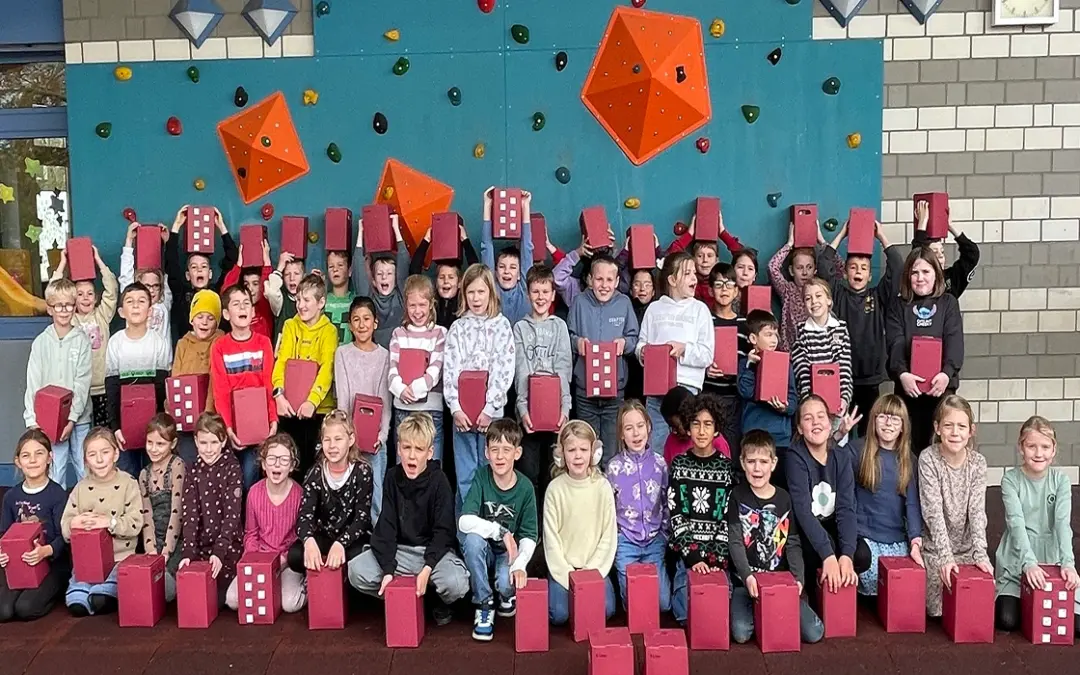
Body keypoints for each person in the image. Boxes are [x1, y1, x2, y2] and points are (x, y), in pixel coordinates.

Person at [347, 412, 469, 627]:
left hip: (431, 554)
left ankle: (433, 600)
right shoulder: (392, 477)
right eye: (407, 448)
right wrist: (387, 570)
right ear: (398, 449)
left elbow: (444, 532)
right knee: (356, 571)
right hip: (400, 552)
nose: (412, 456)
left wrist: (428, 568)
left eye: (419, 449)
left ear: (429, 453)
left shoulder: (439, 481)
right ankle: (403, 598)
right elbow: (386, 527)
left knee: (457, 583)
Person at [727, 430, 823, 644]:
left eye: (763, 461)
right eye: (751, 461)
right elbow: (735, 541)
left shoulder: (784, 498)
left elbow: (792, 542)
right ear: (742, 463)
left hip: (778, 582)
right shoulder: (737, 496)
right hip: (746, 583)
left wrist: (798, 578)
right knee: (741, 634)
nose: (757, 468)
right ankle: (760, 613)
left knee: (814, 633)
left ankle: (771, 613)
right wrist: (747, 576)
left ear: (773, 463)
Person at [818, 219, 904, 436]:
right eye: (853, 267)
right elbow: (823, 265)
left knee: (868, 436)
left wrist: (881, 236)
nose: (858, 271)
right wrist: (843, 234)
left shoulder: (878, 296)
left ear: (870, 275)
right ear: (845, 273)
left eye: (864, 268)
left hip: (870, 380)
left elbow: (897, 267)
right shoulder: (837, 294)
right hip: (841, 379)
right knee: (839, 434)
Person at [994, 416, 1079, 633]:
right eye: (1031, 446)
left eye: (1045, 447)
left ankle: (1038, 605)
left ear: (1054, 449)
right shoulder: (1010, 480)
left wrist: (1068, 563)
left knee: (1075, 625)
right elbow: (1016, 523)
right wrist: (1029, 563)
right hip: (1018, 560)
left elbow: (1062, 523)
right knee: (1007, 620)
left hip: (1052, 560)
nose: (1038, 453)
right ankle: (1029, 602)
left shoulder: (1060, 481)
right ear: (1021, 448)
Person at [459, 419, 539, 641]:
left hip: (508, 554)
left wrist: (520, 565)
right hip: (486, 548)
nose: (500, 456)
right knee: (472, 540)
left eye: (506, 450)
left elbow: (530, 535)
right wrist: (500, 532)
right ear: (486, 453)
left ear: (517, 453)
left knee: (506, 584)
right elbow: (464, 521)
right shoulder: (482, 477)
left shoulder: (525, 487)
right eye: (494, 450)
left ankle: (505, 593)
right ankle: (484, 602)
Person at [444, 264, 516, 511]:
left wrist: (489, 408)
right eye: (471, 292)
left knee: (492, 470)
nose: (476, 298)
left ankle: (491, 525)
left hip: (490, 416)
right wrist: (455, 407)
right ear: (464, 294)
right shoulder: (458, 328)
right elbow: (450, 370)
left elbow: (504, 369)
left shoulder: (501, 325)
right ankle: (467, 527)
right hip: (462, 416)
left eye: (481, 292)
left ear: (490, 293)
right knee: (466, 474)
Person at [787, 396, 869, 603]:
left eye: (821, 416)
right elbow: (803, 512)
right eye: (808, 418)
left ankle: (838, 592)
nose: (815, 422)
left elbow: (846, 508)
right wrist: (829, 555)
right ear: (800, 428)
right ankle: (814, 593)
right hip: (806, 530)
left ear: (830, 422)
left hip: (832, 524)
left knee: (861, 554)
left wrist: (847, 555)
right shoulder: (795, 457)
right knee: (823, 548)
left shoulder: (841, 456)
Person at [918, 395, 990, 618]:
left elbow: (977, 512)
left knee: (974, 610)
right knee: (939, 612)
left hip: (967, 551)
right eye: (948, 425)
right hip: (936, 550)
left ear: (971, 431)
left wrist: (980, 554)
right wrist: (946, 557)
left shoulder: (978, 463)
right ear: (937, 428)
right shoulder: (928, 458)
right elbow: (933, 512)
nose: (955, 432)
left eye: (961, 426)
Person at [886, 248, 964, 452]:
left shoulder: (948, 303)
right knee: (908, 449)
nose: (920, 278)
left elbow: (954, 341)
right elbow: (895, 342)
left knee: (942, 448)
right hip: (909, 390)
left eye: (926, 272)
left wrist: (946, 373)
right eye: (914, 272)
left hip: (941, 388)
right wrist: (902, 373)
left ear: (936, 273)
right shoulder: (898, 305)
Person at [636, 252, 715, 453]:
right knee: (657, 444)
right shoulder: (654, 309)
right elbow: (641, 343)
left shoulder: (700, 310)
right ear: (672, 280)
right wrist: (642, 352)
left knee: (684, 444)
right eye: (687, 273)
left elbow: (707, 354)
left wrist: (684, 349)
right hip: (656, 390)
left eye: (694, 273)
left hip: (686, 388)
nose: (694, 278)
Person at [668, 393, 736, 625]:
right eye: (695, 424)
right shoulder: (679, 465)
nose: (701, 431)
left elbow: (727, 517)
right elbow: (677, 515)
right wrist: (694, 557)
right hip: (688, 557)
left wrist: (714, 559)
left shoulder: (726, 468)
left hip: (717, 557)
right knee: (685, 616)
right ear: (687, 428)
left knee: (717, 618)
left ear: (717, 430)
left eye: (708, 424)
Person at [61, 428, 143, 616]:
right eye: (92, 454)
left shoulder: (129, 483)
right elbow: (65, 525)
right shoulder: (80, 488)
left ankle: (105, 590)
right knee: (77, 604)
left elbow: (136, 523)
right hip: (86, 561)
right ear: (85, 460)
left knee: (101, 599)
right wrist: (74, 523)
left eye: (105, 452)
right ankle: (83, 588)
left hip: (119, 558)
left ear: (115, 454)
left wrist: (109, 522)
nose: (99, 460)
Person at [568, 254, 640, 465]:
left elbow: (635, 338)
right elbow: (568, 336)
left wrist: (625, 344)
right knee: (586, 451)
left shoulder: (624, 303)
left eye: (609, 280)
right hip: (585, 391)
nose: (604, 285)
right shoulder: (579, 302)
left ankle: (609, 486)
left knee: (611, 453)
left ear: (617, 282)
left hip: (614, 391)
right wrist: (577, 342)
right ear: (590, 279)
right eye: (599, 279)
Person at [848, 394, 923, 596]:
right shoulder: (857, 450)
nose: (888, 423)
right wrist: (839, 435)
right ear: (873, 420)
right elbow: (828, 462)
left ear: (903, 426)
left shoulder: (909, 460)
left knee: (899, 590)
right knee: (862, 560)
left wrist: (915, 541)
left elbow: (912, 505)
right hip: (864, 536)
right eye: (882, 416)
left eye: (895, 419)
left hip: (896, 539)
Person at [544, 420, 618, 625]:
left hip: (594, 568)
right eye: (571, 450)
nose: (578, 456)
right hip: (563, 569)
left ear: (594, 453)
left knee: (606, 610)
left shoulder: (603, 487)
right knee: (559, 615)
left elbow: (608, 537)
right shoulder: (554, 489)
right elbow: (551, 541)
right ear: (561, 454)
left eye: (584, 450)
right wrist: (567, 574)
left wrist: (590, 572)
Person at [226, 434, 306, 614]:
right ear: (263, 464)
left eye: (283, 459)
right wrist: (255, 560)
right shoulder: (254, 492)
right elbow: (251, 533)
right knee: (232, 600)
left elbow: (299, 538)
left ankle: (305, 584)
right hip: (260, 558)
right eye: (271, 459)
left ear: (291, 466)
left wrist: (280, 562)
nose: (277, 464)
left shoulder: (299, 494)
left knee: (290, 604)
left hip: (285, 561)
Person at [24, 278, 92, 488]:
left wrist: (71, 418)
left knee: (84, 468)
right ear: (49, 309)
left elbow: (82, 382)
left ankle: (86, 507)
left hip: (79, 419)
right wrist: (33, 420)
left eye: (69, 305)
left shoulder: (82, 340)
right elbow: (33, 382)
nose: (64, 310)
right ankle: (57, 508)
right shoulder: (40, 343)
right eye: (58, 305)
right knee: (56, 470)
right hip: (50, 421)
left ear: (75, 306)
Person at [209, 285, 279, 487]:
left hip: (259, 425)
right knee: (231, 481)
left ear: (253, 311)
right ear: (226, 314)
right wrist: (228, 428)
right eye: (236, 304)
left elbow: (269, 385)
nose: (242, 308)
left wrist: (273, 419)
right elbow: (220, 391)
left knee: (250, 477)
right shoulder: (219, 347)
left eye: (246, 303)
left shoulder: (264, 343)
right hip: (233, 427)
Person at [289, 413, 373, 577]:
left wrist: (341, 543)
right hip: (324, 536)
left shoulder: (362, 472)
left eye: (338, 439)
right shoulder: (315, 473)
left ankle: (346, 585)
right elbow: (304, 516)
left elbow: (362, 519)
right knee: (295, 555)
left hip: (352, 538)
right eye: (327, 440)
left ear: (350, 440)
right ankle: (316, 580)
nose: (332, 446)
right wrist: (309, 541)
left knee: (359, 558)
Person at [606, 401, 669, 615]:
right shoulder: (613, 468)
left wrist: (664, 534)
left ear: (649, 427)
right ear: (621, 434)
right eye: (629, 428)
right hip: (626, 542)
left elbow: (666, 502)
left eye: (640, 426)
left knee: (662, 605)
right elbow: (608, 509)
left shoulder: (660, 464)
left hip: (654, 541)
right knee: (635, 607)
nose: (636, 433)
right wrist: (617, 536)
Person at [273, 273, 339, 476]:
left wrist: (312, 401)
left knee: (312, 468)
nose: (301, 305)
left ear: (321, 303)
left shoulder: (329, 331)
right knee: (288, 464)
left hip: (317, 410)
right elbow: (281, 361)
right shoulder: (290, 325)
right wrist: (278, 394)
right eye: (298, 299)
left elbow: (327, 370)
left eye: (307, 300)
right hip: (289, 407)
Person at [513, 264, 572, 492]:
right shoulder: (520, 328)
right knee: (529, 472)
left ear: (553, 295)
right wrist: (522, 409)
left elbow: (564, 368)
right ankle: (531, 517)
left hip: (555, 411)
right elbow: (521, 370)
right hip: (529, 411)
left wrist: (565, 409)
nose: (540, 297)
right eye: (535, 292)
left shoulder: (560, 327)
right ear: (528, 295)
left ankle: (550, 517)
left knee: (553, 473)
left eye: (545, 291)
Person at [0, 430, 70, 621]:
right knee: (3, 611)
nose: (32, 460)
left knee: (25, 609)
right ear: (17, 462)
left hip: (52, 563)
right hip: (20, 563)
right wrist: (3, 553)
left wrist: (45, 551)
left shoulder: (58, 494)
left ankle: (55, 591)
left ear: (49, 457)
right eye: (26, 455)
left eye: (39, 453)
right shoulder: (11, 497)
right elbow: (4, 534)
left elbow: (65, 537)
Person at [105, 282, 171, 478]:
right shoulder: (115, 343)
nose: (135, 305)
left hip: (154, 427)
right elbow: (112, 388)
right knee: (129, 476)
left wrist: (159, 426)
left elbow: (162, 388)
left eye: (141, 301)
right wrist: (116, 427)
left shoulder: (158, 342)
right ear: (121, 312)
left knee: (155, 476)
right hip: (124, 427)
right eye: (130, 301)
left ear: (150, 311)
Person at [178, 413, 244, 608]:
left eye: (214, 442)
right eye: (203, 443)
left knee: (220, 600)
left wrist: (220, 550)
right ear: (195, 441)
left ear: (223, 441)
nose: (208, 449)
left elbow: (232, 514)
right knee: (193, 598)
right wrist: (188, 552)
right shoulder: (192, 469)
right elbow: (190, 514)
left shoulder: (232, 468)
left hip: (228, 547)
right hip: (201, 548)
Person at [336, 296, 392, 520]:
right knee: (349, 492)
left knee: (376, 493)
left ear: (375, 323)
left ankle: (376, 534)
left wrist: (382, 435)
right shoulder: (342, 353)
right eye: (356, 319)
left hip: (375, 437)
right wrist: (346, 434)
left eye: (366, 319)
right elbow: (343, 398)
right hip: (349, 435)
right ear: (350, 325)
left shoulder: (384, 356)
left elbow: (384, 400)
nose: (361, 324)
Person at [51, 245, 118, 428]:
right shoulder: (70, 320)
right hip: (79, 389)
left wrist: (98, 261)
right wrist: (62, 264)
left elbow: (112, 289)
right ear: (73, 300)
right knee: (82, 432)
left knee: (103, 432)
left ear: (96, 298)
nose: (86, 298)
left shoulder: (102, 315)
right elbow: (54, 294)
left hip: (102, 388)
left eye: (90, 294)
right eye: (80, 294)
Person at [388, 276, 447, 462]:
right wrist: (400, 390)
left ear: (431, 304)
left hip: (431, 411)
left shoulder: (440, 333)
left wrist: (415, 390)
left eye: (422, 305)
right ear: (406, 305)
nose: (417, 311)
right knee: (404, 465)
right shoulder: (399, 334)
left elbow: (436, 370)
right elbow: (392, 368)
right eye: (412, 305)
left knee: (431, 466)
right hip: (403, 409)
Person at [737, 310, 797, 487]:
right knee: (753, 484)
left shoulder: (785, 364)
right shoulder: (745, 364)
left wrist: (784, 407)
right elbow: (745, 391)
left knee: (779, 485)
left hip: (780, 438)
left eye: (775, 335)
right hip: (753, 435)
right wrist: (750, 365)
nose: (774, 339)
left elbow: (793, 400)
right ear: (753, 339)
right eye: (768, 334)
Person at [166, 204, 237, 343]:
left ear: (210, 274)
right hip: (189, 351)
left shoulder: (218, 292)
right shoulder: (181, 294)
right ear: (188, 275)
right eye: (194, 267)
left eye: (203, 266)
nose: (199, 270)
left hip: (215, 350)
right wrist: (176, 226)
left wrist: (221, 227)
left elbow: (232, 261)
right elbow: (171, 265)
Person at [791, 278, 853, 431]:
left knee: (836, 441)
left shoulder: (841, 328)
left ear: (829, 300)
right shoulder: (801, 332)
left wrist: (843, 399)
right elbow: (802, 371)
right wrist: (810, 403)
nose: (814, 301)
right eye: (808, 298)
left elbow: (844, 368)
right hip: (812, 407)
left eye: (818, 296)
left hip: (837, 405)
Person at [171, 289, 224, 465]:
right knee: (189, 463)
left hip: (211, 421)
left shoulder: (220, 341)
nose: (204, 322)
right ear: (192, 319)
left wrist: (207, 417)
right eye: (200, 316)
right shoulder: (183, 344)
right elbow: (175, 379)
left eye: (210, 318)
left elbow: (215, 381)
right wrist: (173, 409)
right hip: (185, 421)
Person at [702, 262, 749, 455]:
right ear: (710, 290)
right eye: (719, 284)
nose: (724, 289)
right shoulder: (704, 321)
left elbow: (749, 361)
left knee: (731, 450)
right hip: (707, 395)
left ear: (736, 291)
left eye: (729, 285)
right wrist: (705, 369)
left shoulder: (744, 324)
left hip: (734, 398)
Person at [138, 414, 185, 601]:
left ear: (173, 444)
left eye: (160, 444)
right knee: (142, 582)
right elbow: (146, 514)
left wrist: (166, 552)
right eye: (150, 442)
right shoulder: (144, 474)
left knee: (164, 588)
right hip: (155, 540)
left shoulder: (177, 466)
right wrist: (151, 550)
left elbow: (177, 511)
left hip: (177, 540)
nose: (153, 449)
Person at [410, 215, 480, 329]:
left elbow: (476, 273)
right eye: (441, 277)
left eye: (451, 277)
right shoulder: (432, 301)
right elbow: (414, 274)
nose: (446, 281)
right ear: (436, 282)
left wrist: (465, 241)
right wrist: (427, 240)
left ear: (459, 283)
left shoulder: (464, 300)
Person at [352, 212, 410, 348]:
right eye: (379, 274)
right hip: (375, 353)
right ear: (373, 280)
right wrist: (361, 232)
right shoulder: (369, 299)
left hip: (398, 352)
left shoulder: (401, 296)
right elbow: (358, 270)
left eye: (389, 273)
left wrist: (396, 228)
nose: (384, 277)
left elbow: (404, 261)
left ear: (396, 279)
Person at [481, 187, 535, 325]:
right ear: (495, 272)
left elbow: (527, 248)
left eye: (513, 267)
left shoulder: (524, 288)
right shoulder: (492, 289)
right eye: (502, 266)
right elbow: (486, 247)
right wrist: (488, 205)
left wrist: (525, 206)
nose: (506, 271)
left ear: (519, 275)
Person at [119, 221, 173, 356]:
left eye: (156, 286)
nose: (152, 290)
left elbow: (171, 273)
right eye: (147, 286)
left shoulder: (164, 304)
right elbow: (125, 277)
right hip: (136, 361)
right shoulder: (133, 304)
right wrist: (129, 241)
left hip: (161, 364)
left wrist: (168, 243)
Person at [768, 221, 824, 351]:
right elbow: (772, 268)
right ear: (791, 271)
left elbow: (839, 269)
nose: (805, 272)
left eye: (809, 267)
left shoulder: (820, 291)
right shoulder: (787, 289)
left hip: (815, 352)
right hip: (790, 353)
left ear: (815, 270)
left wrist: (822, 241)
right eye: (799, 268)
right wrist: (789, 244)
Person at [912, 199, 980, 299]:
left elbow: (972, 254)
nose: (940, 255)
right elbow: (917, 257)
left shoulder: (950, 279)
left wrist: (950, 226)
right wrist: (922, 224)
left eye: (942, 252)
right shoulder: (919, 282)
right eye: (935, 252)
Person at [265, 251, 306, 345]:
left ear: (303, 277)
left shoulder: (307, 301)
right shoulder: (281, 301)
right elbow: (271, 292)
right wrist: (279, 268)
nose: (292, 278)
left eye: (296, 274)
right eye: (287, 274)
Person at [323, 249, 354, 345]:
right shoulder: (322, 300)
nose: (335, 269)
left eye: (340, 265)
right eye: (331, 266)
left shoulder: (355, 301)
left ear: (349, 271)